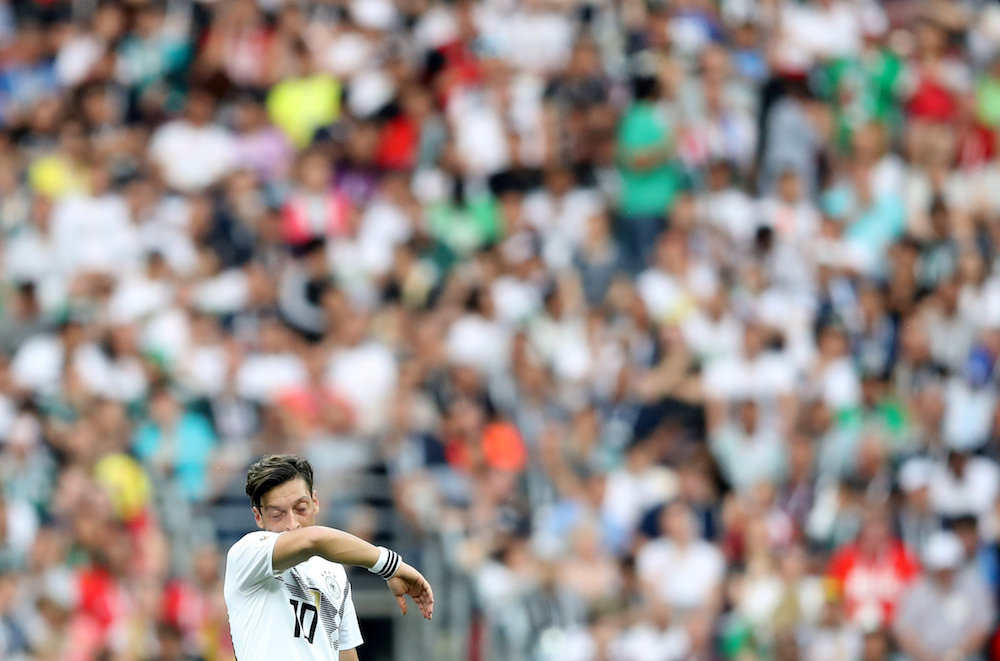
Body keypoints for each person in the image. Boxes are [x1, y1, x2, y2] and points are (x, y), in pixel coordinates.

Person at [224, 454, 434, 661]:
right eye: (278, 514)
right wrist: (390, 565)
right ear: (258, 517)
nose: (293, 523)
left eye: (301, 508)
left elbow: (346, 655)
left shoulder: (333, 571)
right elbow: (314, 540)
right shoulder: (247, 554)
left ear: (315, 502)